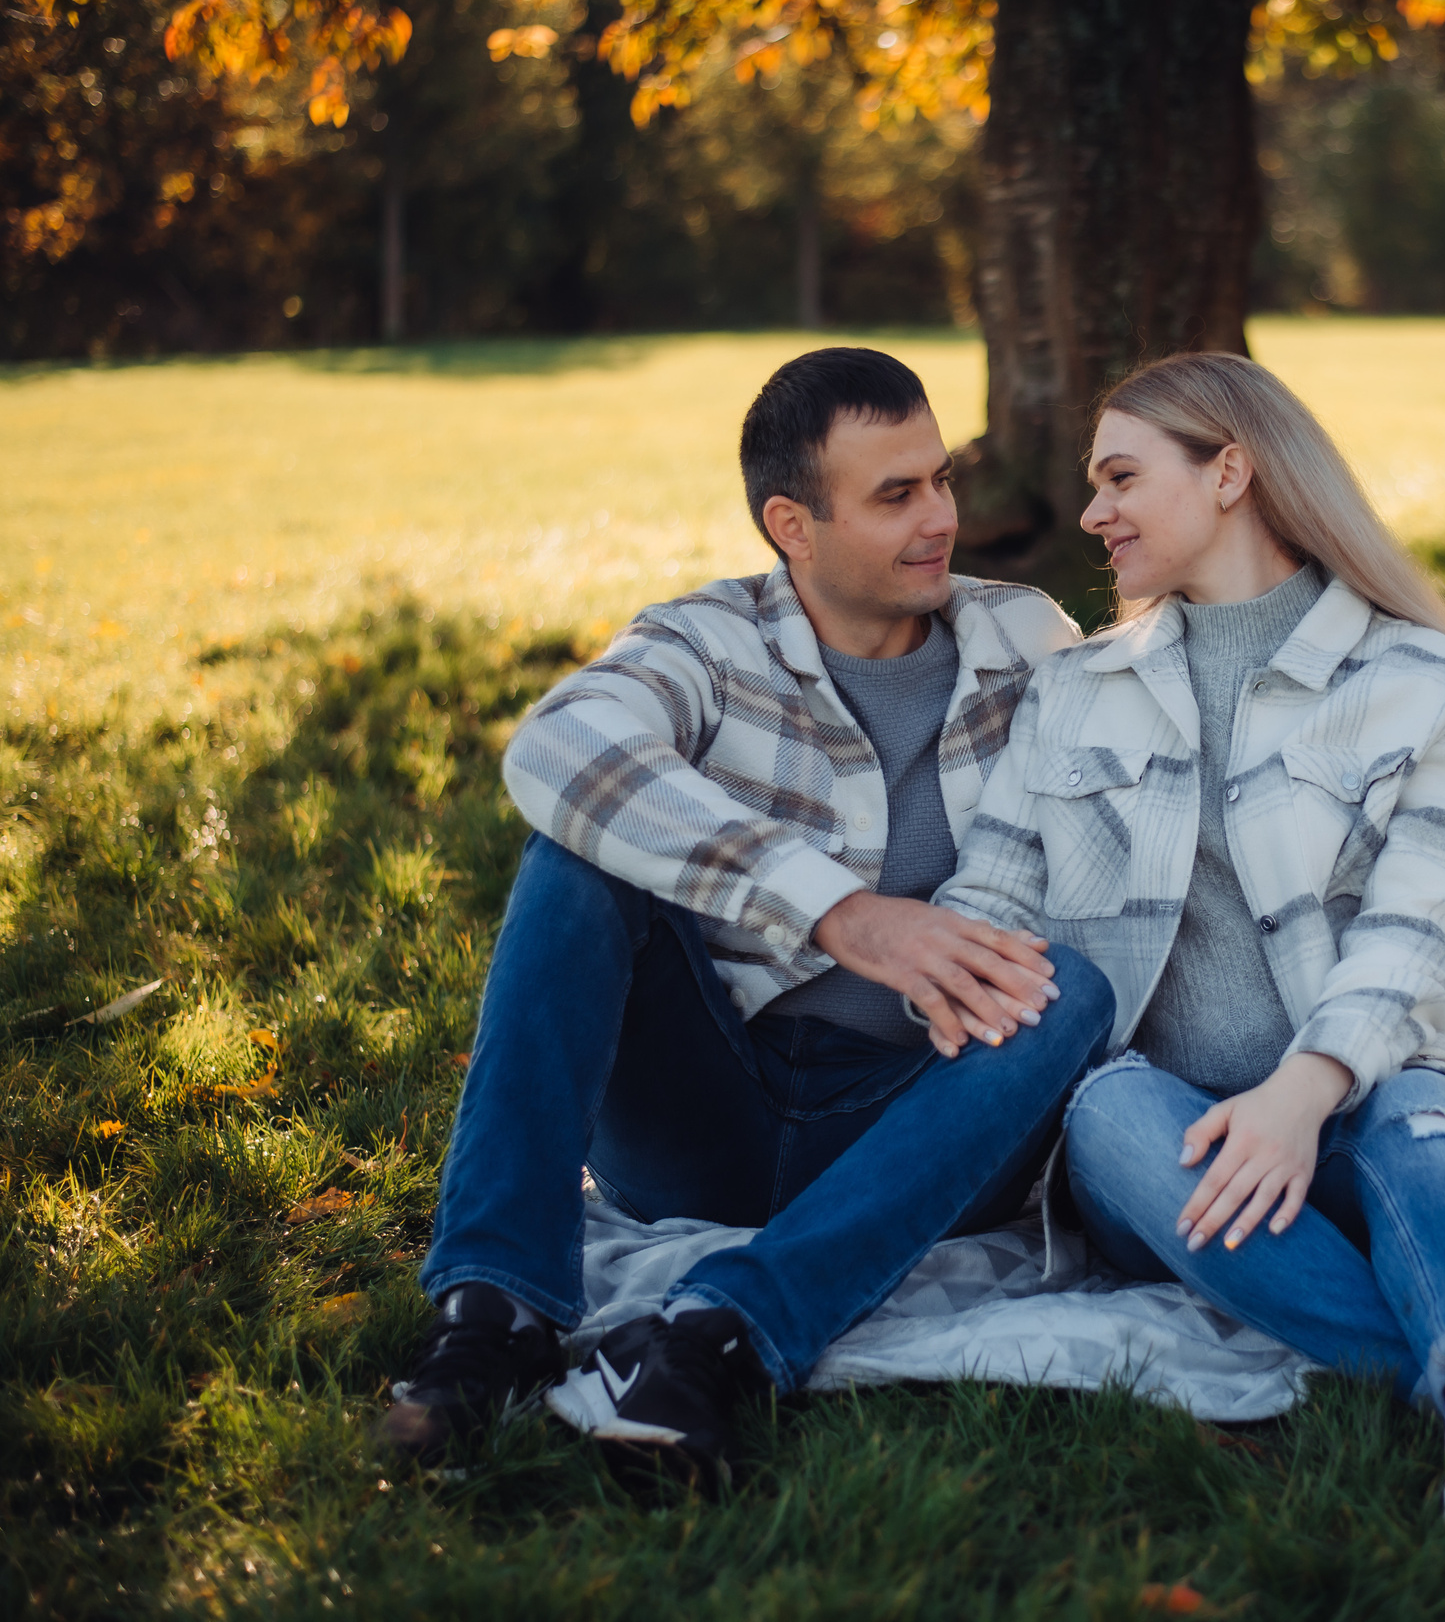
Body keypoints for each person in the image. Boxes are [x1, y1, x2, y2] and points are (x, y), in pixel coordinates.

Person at [378, 347, 1115, 1488]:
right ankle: (494, 1317)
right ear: (792, 525)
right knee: (577, 854)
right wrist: (841, 914)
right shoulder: (706, 641)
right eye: (893, 496)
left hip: (921, 1122)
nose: (940, 521)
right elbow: (556, 749)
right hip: (708, 1115)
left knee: (1078, 987)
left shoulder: (1026, 639)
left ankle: (719, 1336)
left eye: (939, 481)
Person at [933, 352, 1445, 1499]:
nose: (1092, 513)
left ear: (1229, 474)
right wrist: (915, 969)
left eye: (1119, 478)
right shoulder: (1075, 690)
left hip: (1363, 1105)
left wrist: (1304, 1093)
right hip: (1171, 1140)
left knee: (1421, 1097)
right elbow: (991, 904)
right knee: (1105, 1105)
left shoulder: (1435, 688)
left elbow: (1414, 936)